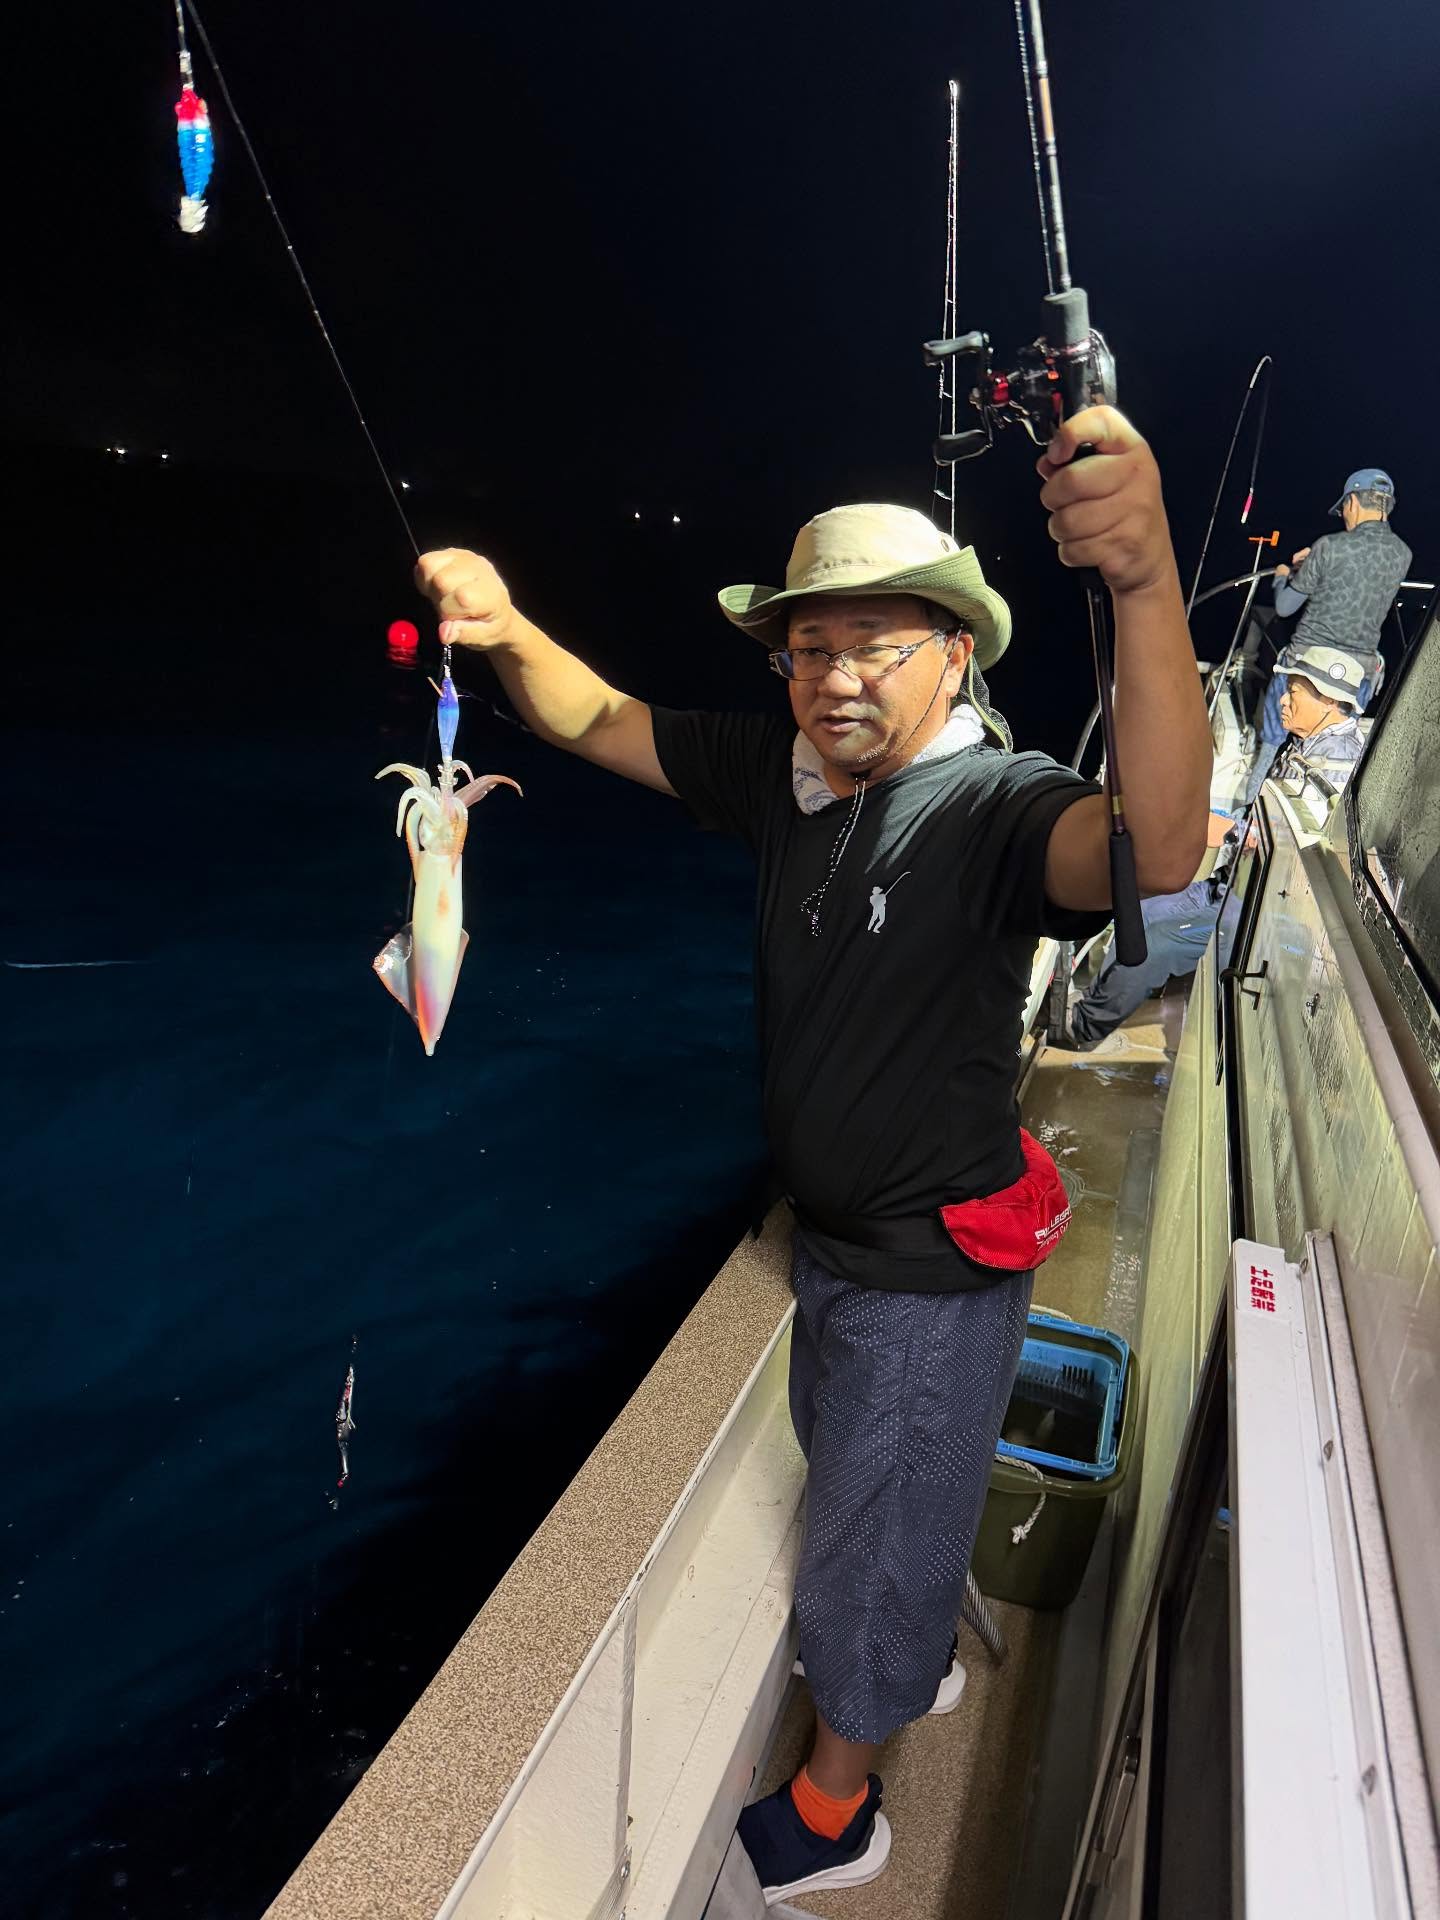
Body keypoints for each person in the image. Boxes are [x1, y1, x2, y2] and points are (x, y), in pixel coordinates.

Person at [413, 407, 1210, 1904]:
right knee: (883, 1500)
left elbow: (1156, 851)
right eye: (807, 648)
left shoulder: (990, 806)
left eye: (875, 646)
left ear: (954, 653)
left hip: (927, 1269)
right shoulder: (786, 781)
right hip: (831, 1245)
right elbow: (596, 720)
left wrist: (1151, 585)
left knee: (877, 1531)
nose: (835, 679)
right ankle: (908, 1666)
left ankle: (843, 1809)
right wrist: (510, 625)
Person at [1247, 467, 1410, 797]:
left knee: (1271, 747)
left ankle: (1248, 816)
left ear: (1352, 502)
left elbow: (1285, 608)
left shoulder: (1329, 546)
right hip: (1356, 678)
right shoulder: (1402, 554)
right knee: (1330, 757)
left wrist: (1286, 573)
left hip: (1306, 668)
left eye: (1344, 509)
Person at [1060, 811, 1236, 1048]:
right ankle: (1096, 999)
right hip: (1224, 886)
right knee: (1139, 910)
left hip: (1242, 912)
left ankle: (1085, 1026)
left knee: (1150, 944)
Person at [1272, 642, 1367, 781]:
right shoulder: (1301, 738)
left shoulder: (1340, 758)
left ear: (1329, 702)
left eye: (1292, 691)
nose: (1283, 700)